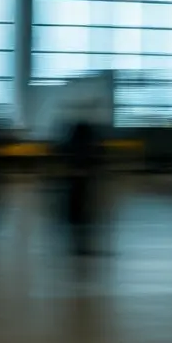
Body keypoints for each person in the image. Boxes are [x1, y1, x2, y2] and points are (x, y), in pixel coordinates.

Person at [63, 107, 102, 255]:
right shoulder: (88, 141)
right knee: (81, 206)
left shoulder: (73, 141)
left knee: (76, 206)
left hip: (76, 179)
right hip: (82, 179)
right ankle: (81, 239)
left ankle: (78, 236)